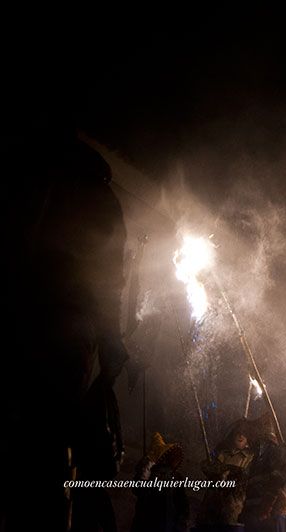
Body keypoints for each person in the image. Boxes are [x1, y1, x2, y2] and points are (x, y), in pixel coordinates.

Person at [3, 126, 128, 531]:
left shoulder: (35, 181)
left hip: (33, 317)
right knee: (58, 440)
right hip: (71, 327)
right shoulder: (97, 198)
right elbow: (112, 279)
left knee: (37, 438)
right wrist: (111, 341)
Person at [196, 422, 256, 530]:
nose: (240, 436)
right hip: (213, 499)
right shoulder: (222, 452)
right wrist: (211, 468)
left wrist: (231, 473)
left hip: (233, 501)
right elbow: (209, 468)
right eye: (238, 433)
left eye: (244, 434)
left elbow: (247, 476)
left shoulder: (250, 457)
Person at [131, 432, 190, 532]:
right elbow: (138, 490)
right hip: (148, 524)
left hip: (168, 523)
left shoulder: (176, 477)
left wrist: (181, 521)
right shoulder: (148, 475)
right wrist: (144, 474)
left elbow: (182, 504)